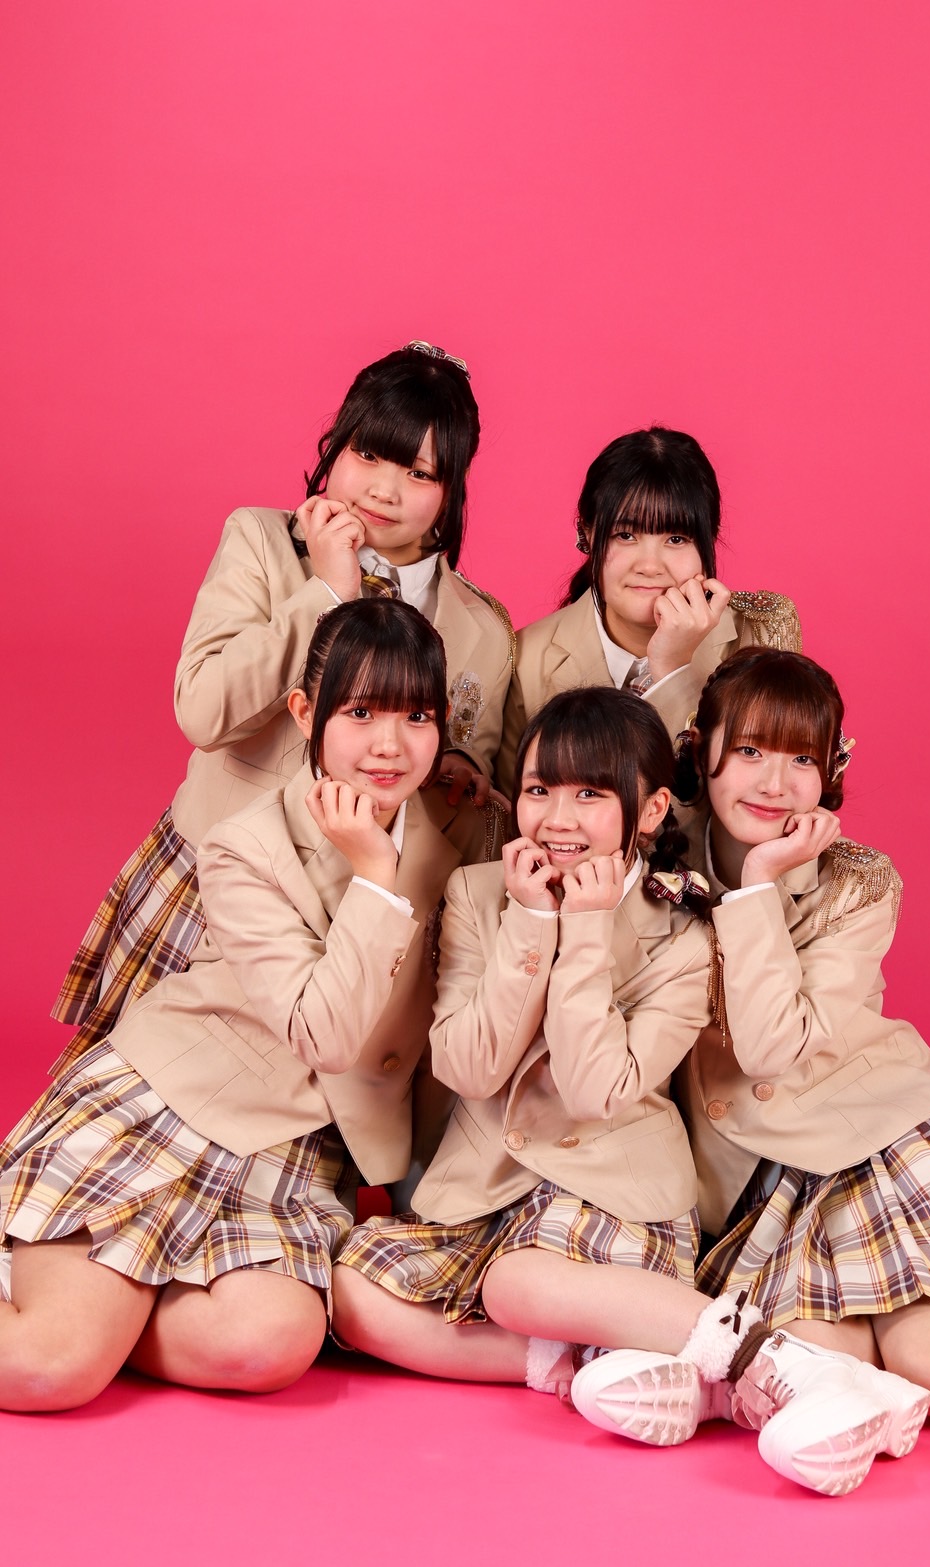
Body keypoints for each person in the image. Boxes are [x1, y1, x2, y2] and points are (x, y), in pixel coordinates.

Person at [333, 687, 930, 1497]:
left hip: (611, 1184)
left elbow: (594, 1088)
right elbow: (469, 1070)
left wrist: (582, 931)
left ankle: (772, 1366)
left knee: (514, 1284)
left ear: (649, 809)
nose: (558, 819)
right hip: (490, 1186)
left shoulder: (684, 930)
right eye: (540, 789)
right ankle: (609, 1361)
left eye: (590, 793)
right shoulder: (478, 891)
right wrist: (529, 923)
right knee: (353, 1293)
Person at [0, 600, 502, 1410]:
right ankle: (78, 1313)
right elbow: (322, 1032)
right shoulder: (246, 844)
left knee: (268, 1347)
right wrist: (374, 877)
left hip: (297, 1153)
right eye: (360, 712)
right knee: (49, 1368)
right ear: (305, 712)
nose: (389, 743)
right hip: (175, 1105)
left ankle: (98, 1304)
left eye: (416, 716)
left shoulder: (458, 843)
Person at [572, 646, 930, 1460]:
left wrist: (759, 881)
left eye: (801, 759)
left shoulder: (857, 883)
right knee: (818, 1363)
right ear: (699, 751)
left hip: (877, 1142)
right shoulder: (650, 851)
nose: (774, 781)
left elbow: (769, 1049)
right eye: (750, 749)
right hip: (763, 1190)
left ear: (831, 771)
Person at [52, 341, 514, 1054]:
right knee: (146, 1075)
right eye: (368, 454)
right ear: (336, 447)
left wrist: (457, 768)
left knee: (318, 1099)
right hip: (217, 877)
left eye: (419, 472)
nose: (383, 490)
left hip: (356, 909)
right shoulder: (264, 543)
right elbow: (203, 712)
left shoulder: (483, 628)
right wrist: (325, 592)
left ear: (452, 489)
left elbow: (456, 788)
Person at [494, 426, 800, 796]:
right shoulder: (528, 658)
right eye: (626, 535)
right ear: (588, 533)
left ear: (709, 537)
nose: (650, 566)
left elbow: (764, 803)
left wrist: (673, 670)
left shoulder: (759, 636)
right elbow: (516, 812)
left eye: (676, 539)